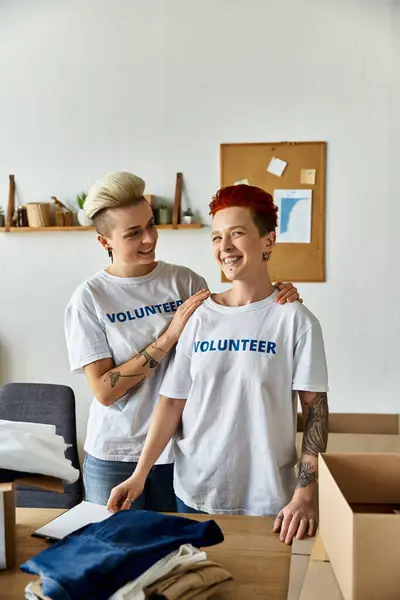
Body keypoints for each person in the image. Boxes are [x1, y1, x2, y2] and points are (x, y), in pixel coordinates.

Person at [107, 183, 329, 546]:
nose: (224, 247)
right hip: (194, 494)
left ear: (268, 241)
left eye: (237, 234)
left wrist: (304, 496)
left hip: (270, 502)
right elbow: (172, 402)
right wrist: (139, 475)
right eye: (216, 237)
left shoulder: (297, 321)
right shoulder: (198, 316)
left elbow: (316, 414)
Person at [65, 173, 300, 511]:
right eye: (133, 234)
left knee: (176, 558)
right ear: (105, 242)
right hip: (116, 454)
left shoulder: (185, 282)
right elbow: (104, 391)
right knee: (118, 555)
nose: (149, 239)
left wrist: (279, 299)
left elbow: (234, 331)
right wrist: (170, 335)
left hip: (179, 452)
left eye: (150, 225)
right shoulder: (89, 299)